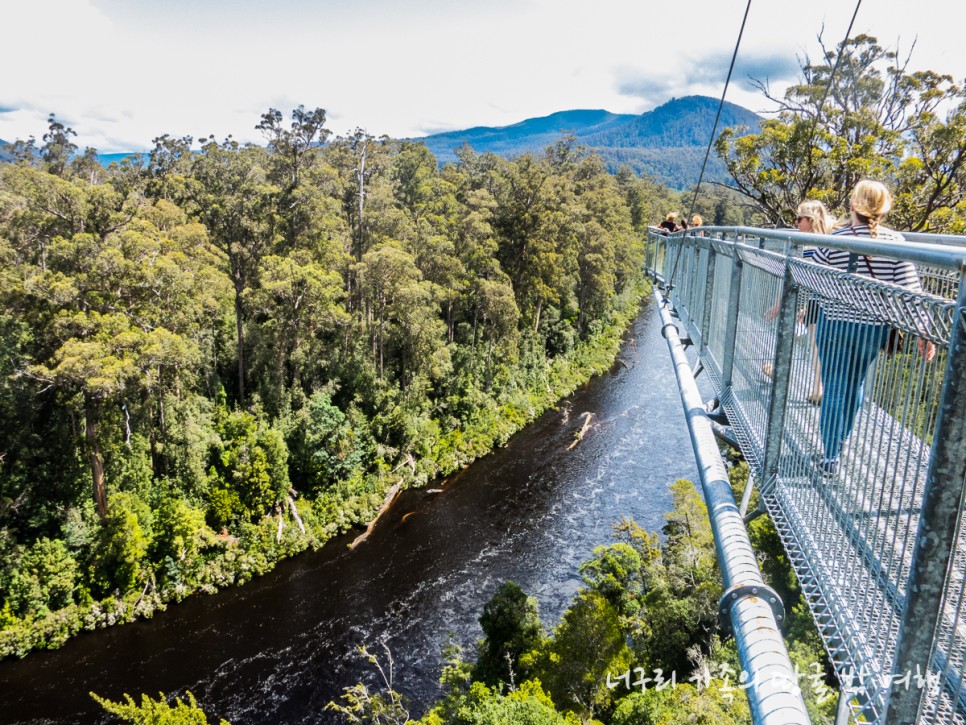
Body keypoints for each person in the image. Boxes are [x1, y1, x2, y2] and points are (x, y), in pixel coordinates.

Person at [812, 180, 936, 477]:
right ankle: (841, 442)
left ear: (853, 204)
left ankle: (829, 456)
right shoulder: (895, 242)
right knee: (855, 385)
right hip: (872, 327)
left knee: (834, 387)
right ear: (884, 207)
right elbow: (911, 290)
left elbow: (813, 276)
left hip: (835, 322)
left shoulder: (835, 237)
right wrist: (924, 330)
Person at [795, 200, 836, 404]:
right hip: (822, 300)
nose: (796, 223)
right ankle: (821, 388)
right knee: (821, 348)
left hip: (820, 301)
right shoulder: (829, 239)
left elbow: (811, 278)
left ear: (810, 221)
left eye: (799, 218)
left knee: (818, 348)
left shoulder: (813, 245)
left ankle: (819, 389)